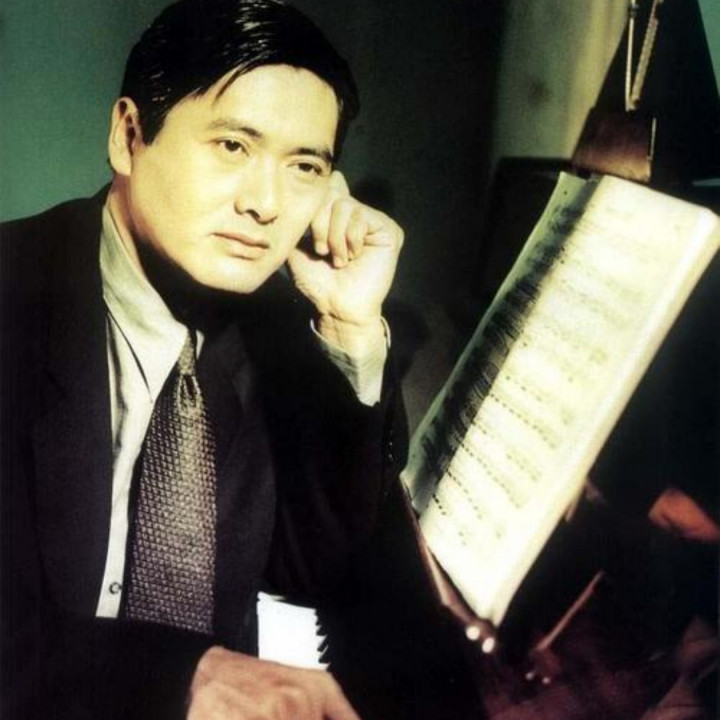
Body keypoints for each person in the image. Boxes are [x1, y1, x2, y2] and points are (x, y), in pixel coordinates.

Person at [0, 1, 407, 718]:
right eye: (232, 146)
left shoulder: (276, 328)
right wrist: (178, 678)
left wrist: (350, 325)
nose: (266, 203)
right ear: (129, 136)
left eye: (304, 166)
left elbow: (313, 567)